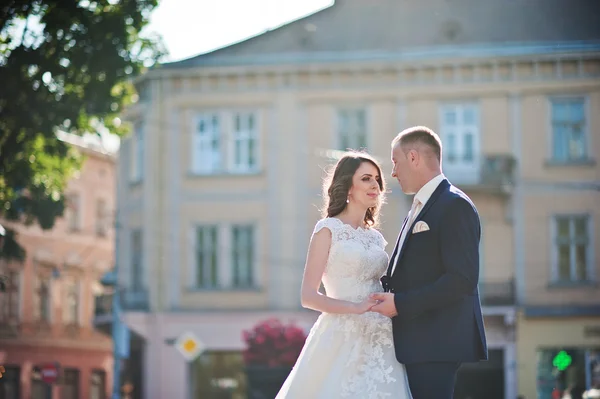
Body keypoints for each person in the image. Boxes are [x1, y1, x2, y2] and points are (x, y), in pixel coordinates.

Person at [276, 151, 412, 398]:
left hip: (382, 335)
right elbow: (308, 296)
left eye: (377, 180)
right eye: (366, 179)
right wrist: (356, 307)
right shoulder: (327, 230)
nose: (375, 185)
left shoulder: (375, 237)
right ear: (348, 187)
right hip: (341, 334)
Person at [370, 126, 488, 399]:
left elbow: (462, 279)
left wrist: (399, 304)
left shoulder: (454, 205)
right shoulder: (421, 206)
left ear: (413, 158)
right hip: (417, 341)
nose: (394, 173)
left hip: (435, 342)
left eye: (395, 162)